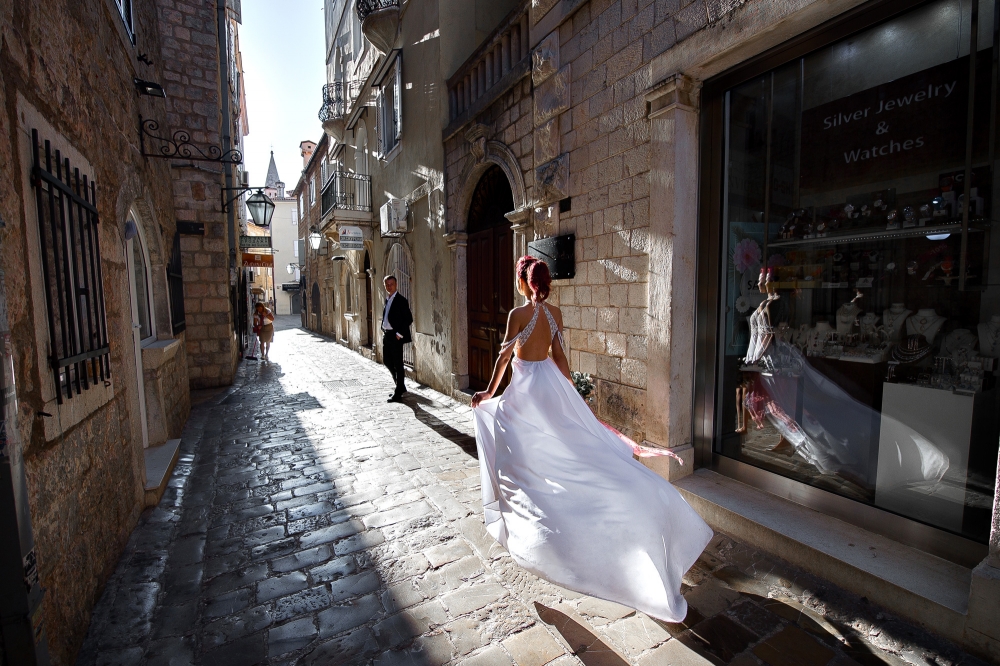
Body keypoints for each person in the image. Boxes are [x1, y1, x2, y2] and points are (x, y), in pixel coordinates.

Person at [471, 256, 713, 622]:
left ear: (523, 281)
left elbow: (504, 358)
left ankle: (536, 527)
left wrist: (488, 393)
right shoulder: (555, 314)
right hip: (550, 391)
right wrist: (573, 400)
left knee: (518, 462)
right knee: (572, 455)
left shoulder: (517, 316)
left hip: (525, 398)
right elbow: (561, 360)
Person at [381, 275, 412, 402]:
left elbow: (408, 319)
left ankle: (398, 391)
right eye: (387, 284)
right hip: (387, 334)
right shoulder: (387, 299)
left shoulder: (401, 300)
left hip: (395, 336)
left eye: (391, 284)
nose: (389, 286)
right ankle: (401, 386)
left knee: (398, 364)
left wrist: (399, 335)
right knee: (387, 361)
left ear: (396, 285)